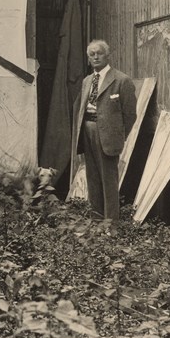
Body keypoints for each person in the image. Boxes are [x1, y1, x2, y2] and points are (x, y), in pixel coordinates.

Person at [71, 39, 137, 223]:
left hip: (108, 136)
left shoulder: (122, 80)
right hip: (87, 132)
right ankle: (97, 221)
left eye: (99, 53)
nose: (95, 57)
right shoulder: (87, 81)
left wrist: (117, 135)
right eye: (91, 54)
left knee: (109, 181)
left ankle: (111, 225)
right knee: (92, 178)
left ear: (108, 55)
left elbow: (130, 115)